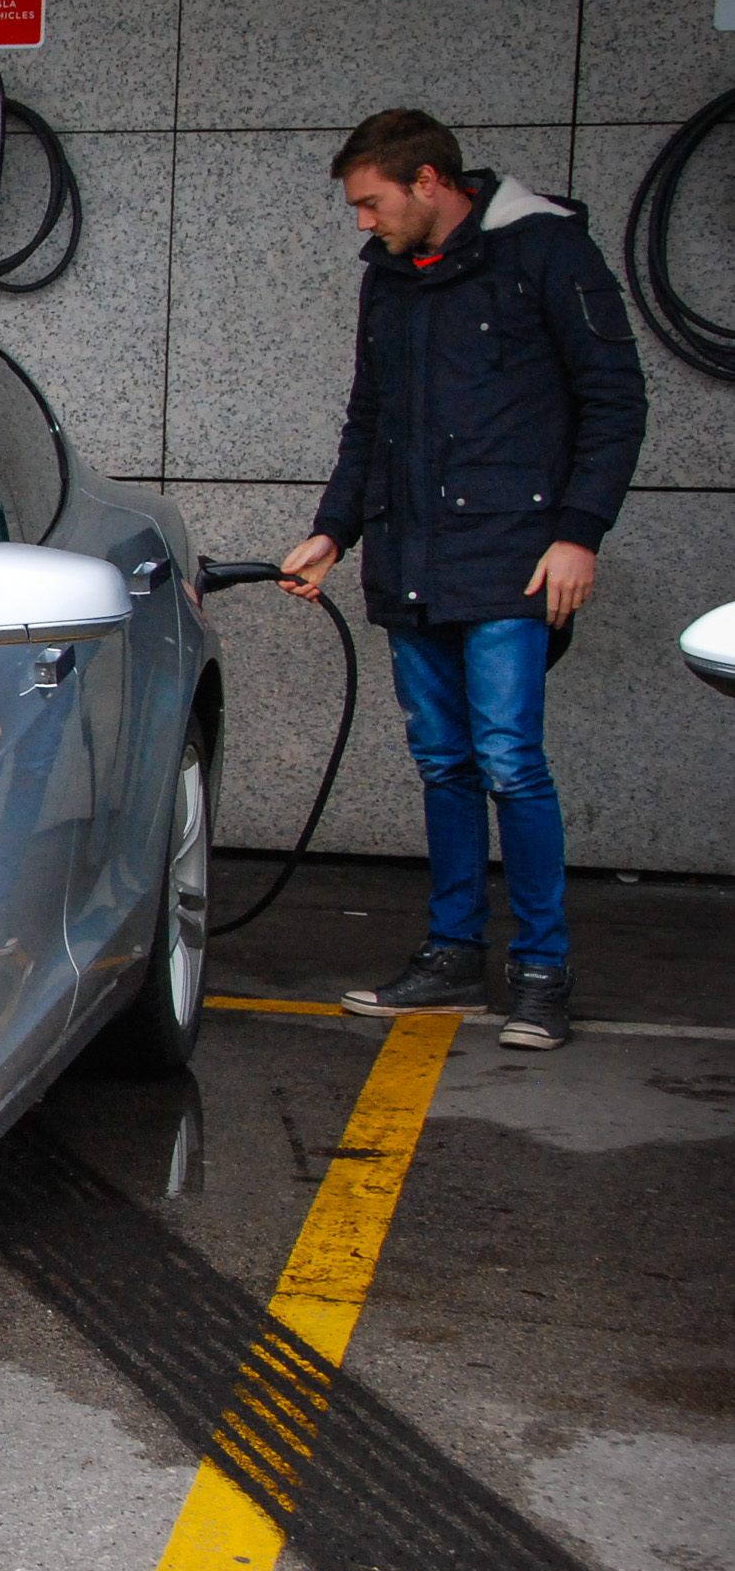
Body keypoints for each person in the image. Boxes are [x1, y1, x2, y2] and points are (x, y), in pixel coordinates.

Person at [279, 110, 646, 1050]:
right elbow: (368, 419)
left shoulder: (547, 251)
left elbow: (615, 401)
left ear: (429, 181)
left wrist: (579, 535)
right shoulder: (390, 277)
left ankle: (541, 971)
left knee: (511, 761)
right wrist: (333, 531)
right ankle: (451, 955)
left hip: (515, 556)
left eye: (372, 203)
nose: (363, 222)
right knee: (443, 762)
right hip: (413, 557)